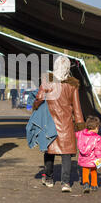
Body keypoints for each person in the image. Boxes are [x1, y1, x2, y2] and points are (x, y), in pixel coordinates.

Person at [33, 56, 85, 193]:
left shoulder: (47, 82)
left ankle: (49, 179)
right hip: (66, 123)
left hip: (49, 122)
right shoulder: (73, 85)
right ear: (68, 68)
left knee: (49, 151)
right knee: (66, 153)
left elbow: (39, 98)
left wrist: (35, 107)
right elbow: (77, 107)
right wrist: (80, 124)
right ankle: (65, 183)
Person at [77, 115, 101, 193]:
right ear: (96, 127)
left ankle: (86, 183)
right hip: (93, 159)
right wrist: (99, 157)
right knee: (93, 171)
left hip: (83, 158)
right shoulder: (97, 138)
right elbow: (98, 149)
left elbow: (75, 134)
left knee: (85, 170)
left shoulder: (81, 134)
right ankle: (94, 185)